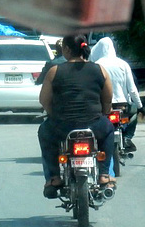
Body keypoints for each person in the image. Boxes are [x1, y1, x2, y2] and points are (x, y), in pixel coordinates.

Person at [38, 35, 114, 199]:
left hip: (62, 127)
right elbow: (107, 99)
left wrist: (54, 115)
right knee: (109, 131)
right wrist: (104, 113)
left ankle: (54, 177)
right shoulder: (99, 70)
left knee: (44, 132)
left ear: (66, 49)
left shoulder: (54, 71)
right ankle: (104, 174)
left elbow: (44, 100)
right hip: (94, 125)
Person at [89, 36, 145, 151]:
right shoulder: (123, 64)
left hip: (103, 106)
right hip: (122, 105)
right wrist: (140, 107)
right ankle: (127, 138)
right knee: (133, 113)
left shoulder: (96, 65)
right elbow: (132, 89)